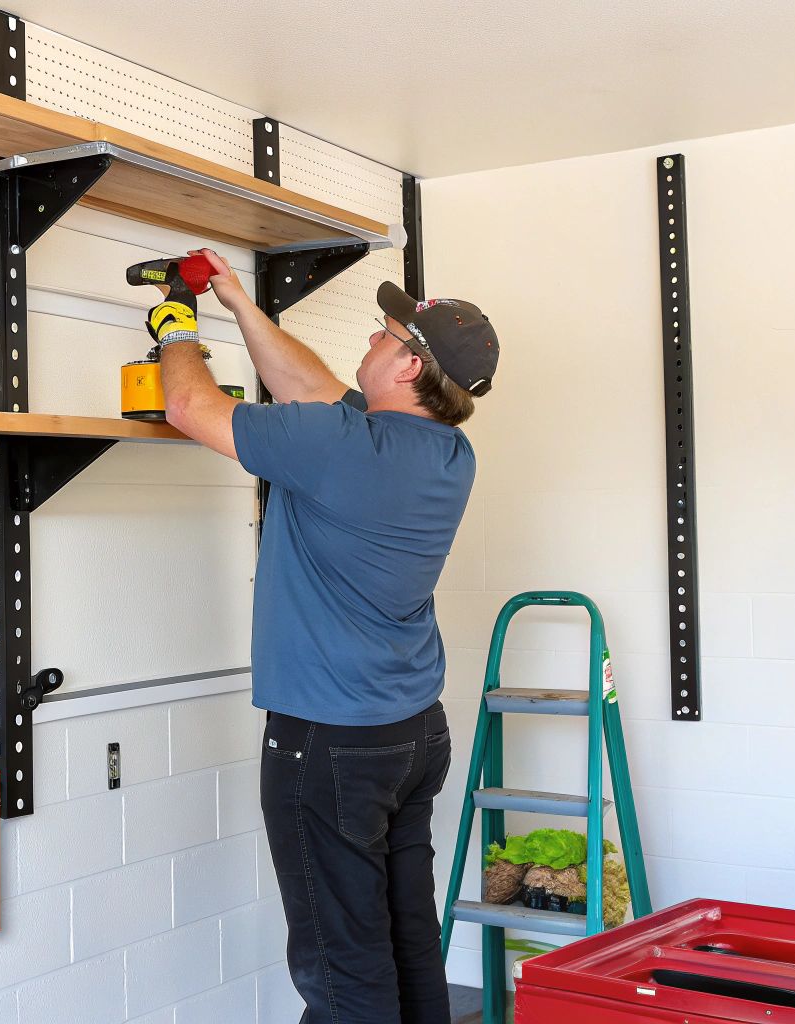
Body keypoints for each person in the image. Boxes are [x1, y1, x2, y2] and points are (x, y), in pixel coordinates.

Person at [150, 248, 499, 1024]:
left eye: (386, 336)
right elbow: (309, 387)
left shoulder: (339, 445)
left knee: (342, 963)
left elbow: (188, 407)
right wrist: (239, 304)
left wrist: (177, 326)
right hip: (409, 734)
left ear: (410, 367)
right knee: (405, 936)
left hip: (330, 742)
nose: (372, 338)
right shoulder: (446, 452)